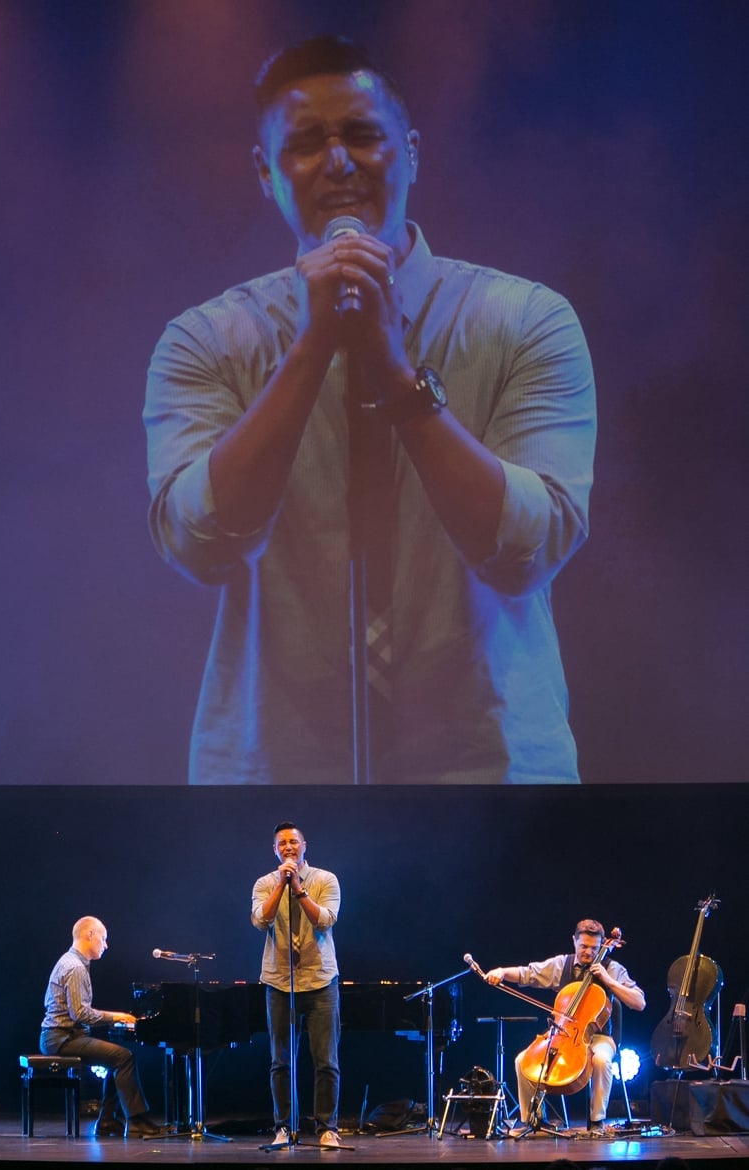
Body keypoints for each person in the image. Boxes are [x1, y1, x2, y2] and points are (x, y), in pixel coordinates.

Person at [144, 35, 597, 785]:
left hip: (491, 770)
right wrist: (312, 347)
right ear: (266, 171)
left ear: (411, 152)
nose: (339, 161)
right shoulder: (207, 341)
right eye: (305, 144)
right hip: (276, 778)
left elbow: (530, 549)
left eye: (361, 135)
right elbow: (199, 542)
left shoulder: (526, 319)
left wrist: (393, 370)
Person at [484, 918, 646, 1132]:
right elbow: (528, 973)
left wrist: (608, 980)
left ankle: (597, 1122)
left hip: (599, 1037)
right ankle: (533, 1121)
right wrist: (503, 972)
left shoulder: (612, 968)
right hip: (562, 1033)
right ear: (574, 941)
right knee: (522, 1061)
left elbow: (639, 1002)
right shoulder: (562, 964)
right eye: (584, 947)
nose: (589, 952)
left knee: (601, 1060)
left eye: (594, 948)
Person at [251, 821, 341, 1148]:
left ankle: (327, 1127)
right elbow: (261, 920)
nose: (288, 847)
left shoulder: (326, 879)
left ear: (305, 846)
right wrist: (282, 885)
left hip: (320, 981)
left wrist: (299, 889)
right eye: (282, 843)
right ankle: (284, 1128)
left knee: (326, 1061)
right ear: (275, 850)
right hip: (279, 982)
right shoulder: (264, 883)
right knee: (281, 1062)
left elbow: (325, 919)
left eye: (294, 842)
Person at [40, 916, 162, 1139]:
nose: (105, 945)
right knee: (123, 1057)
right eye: (103, 939)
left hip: (61, 1036)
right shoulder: (75, 967)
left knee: (117, 1057)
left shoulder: (71, 962)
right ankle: (135, 1122)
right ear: (89, 935)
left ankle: (107, 1121)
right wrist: (118, 1017)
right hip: (61, 1039)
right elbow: (81, 1014)